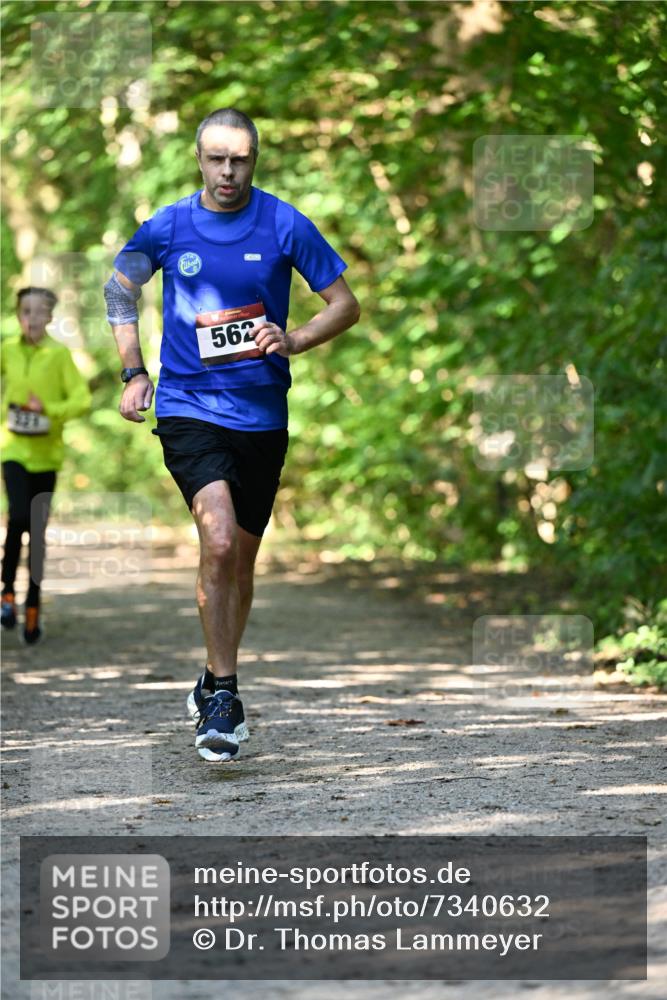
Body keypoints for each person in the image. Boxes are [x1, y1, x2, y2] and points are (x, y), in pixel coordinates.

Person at [105, 108, 360, 763]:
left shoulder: (283, 223)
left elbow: (344, 304)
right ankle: (224, 695)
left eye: (239, 159)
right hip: (189, 407)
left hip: (262, 417)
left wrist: (294, 338)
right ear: (199, 159)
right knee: (216, 540)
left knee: (239, 563)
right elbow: (119, 289)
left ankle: (213, 671)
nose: (227, 171)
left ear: (254, 159)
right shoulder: (168, 225)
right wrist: (133, 370)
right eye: (216, 158)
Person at [1, 286, 91, 643]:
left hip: (47, 455)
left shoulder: (59, 355)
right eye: (26, 311)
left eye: (40, 312)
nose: (32, 318)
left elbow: (81, 400)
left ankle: (33, 606)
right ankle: (7, 594)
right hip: (13, 449)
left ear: (50, 317)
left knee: (36, 533)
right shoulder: (7, 350)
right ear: (18, 315)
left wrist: (49, 412)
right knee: (19, 517)